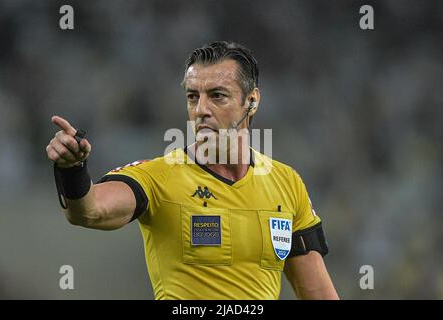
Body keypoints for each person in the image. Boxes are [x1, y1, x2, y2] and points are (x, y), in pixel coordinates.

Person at [46, 41, 339, 300]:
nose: (200, 109)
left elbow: (318, 294)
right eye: (192, 96)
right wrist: (72, 170)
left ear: (251, 101)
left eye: (217, 96)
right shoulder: (158, 177)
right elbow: (89, 211)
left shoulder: (286, 183)